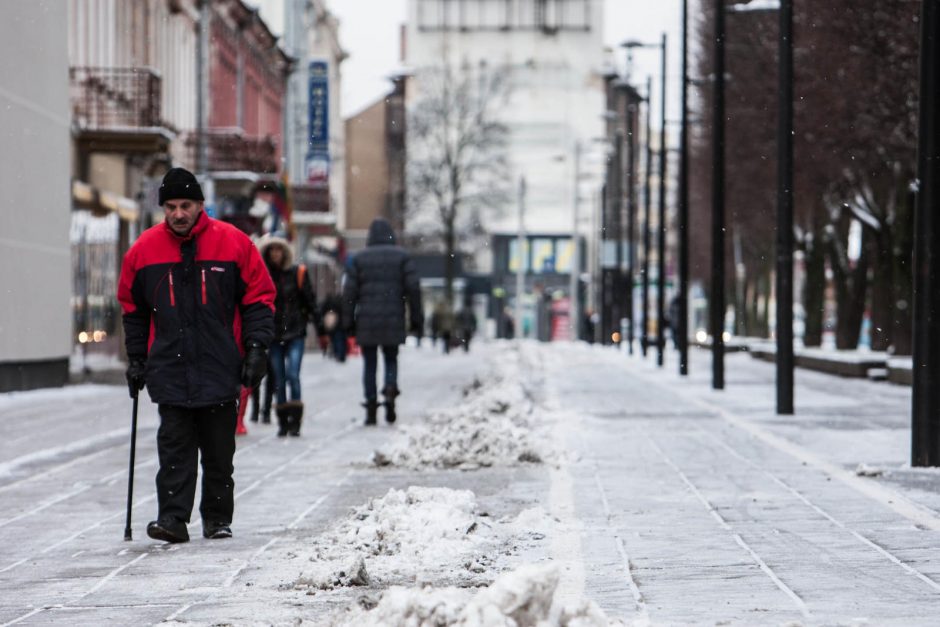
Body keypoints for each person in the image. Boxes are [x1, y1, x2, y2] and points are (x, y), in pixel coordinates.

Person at [118, 167, 274, 544]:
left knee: (219, 452)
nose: (178, 213)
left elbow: (258, 299)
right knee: (174, 450)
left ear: (201, 205)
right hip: (169, 367)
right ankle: (172, 519)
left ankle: (217, 518)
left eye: (185, 205)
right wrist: (137, 359)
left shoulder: (234, 244)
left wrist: (256, 349)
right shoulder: (143, 251)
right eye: (170, 206)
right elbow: (133, 310)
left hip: (220, 365)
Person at [342, 218, 423, 425]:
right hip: (394, 317)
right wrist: (416, 319)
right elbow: (414, 289)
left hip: (367, 320)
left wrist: (347, 321)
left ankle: (370, 404)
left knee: (369, 364)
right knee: (391, 357)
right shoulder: (402, 257)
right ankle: (389, 387)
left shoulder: (359, 259)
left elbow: (349, 293)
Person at [259, 236, 320, 437]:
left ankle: (295, 421)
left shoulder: (298, 273)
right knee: (279, 377)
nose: (275, 254)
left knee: (293, 374)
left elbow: (310, 301)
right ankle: (283, 421)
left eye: (279, 249)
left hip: (295, 331)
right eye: (272, 250)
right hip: (274, 333)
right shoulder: (263, 275)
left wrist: (321, 328)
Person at [319, 293, 347, 362]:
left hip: (333, 324)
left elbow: (322, 311)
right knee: (340, 339)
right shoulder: (341, 304)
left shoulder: (329, 304)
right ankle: (340, 354)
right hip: (340, 324)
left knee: (335, 339)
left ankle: (337, 353)